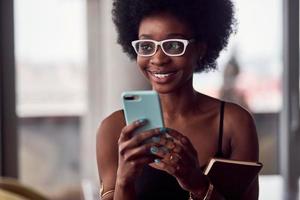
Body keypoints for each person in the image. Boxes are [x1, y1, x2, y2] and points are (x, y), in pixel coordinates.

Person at [96, 0, 259, 199]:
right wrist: (124, 180)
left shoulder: (234, 123)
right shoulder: (113, 129)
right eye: (146, 46)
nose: (158, 59)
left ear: (200, 49)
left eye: (173, 45)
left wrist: (198, 184)